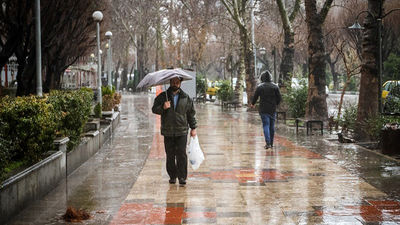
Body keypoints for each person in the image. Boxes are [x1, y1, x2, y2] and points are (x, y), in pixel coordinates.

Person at [152, 77, 197, 186]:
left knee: (181, 154)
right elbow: (154, 109)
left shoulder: (186, 98)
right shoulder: (163, 97)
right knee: (170, 155)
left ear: (180, 83)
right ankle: (172, 176)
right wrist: (163, 107)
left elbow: (191, 114)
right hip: (168, 131)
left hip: (182, 131)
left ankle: (182, 177)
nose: (175, 84)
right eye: (173, 82)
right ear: (170, 82)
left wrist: (193, 128)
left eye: (177, 82)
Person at [250, 71, 281, 149]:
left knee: (266, 125)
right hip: (272, 109)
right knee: (272, 126)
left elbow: (255, 97)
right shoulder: (275, 87)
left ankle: (268, 143)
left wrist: (252, 104)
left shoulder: (260, 87)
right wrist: (275, 104)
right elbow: (279, 98)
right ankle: (271, 142)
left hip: (263, 109)